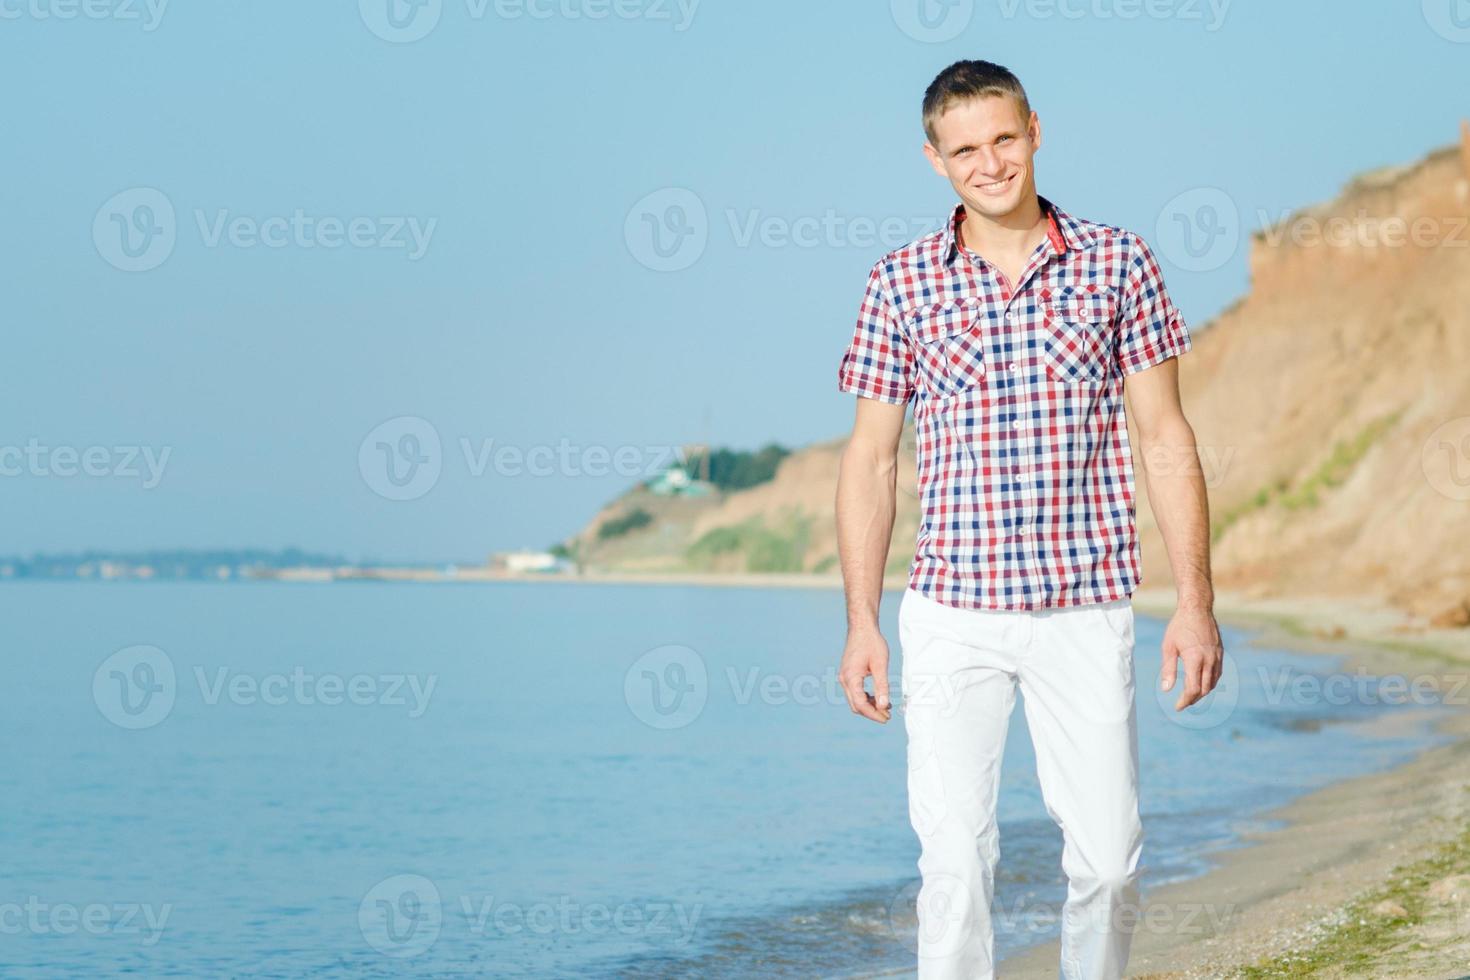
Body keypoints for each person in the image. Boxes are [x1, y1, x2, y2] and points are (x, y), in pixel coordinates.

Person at [833, 59, 1225, 979]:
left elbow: (1164, 436)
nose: (990, 162)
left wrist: (1196, 602)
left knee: (1108, 862)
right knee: (956, 865)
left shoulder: (1118, 261)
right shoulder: (899, 283)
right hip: (951, 616)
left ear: (1036, 130)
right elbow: (870, 460)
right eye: (964, 148)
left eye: (1004, 138)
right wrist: (860, 622)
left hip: (1084, 610)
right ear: (934, 160)